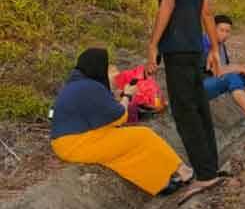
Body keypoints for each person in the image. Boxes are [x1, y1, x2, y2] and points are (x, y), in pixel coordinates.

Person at [142, 0, 223, 203]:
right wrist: (214, 48)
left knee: (185, 112)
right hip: (194, 46)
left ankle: (205, 175)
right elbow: (206, 9)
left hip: (176, 46)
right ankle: (210, 166)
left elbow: (168, 1)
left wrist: (153, 44)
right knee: (200, 107)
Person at [50, 49, 193, 196]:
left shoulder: (75, 84)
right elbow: (119, 116)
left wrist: (116, 97)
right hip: (77, 143)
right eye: (106, 66)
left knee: (121, 155)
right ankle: (183, 170)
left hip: (70, 141)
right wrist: (127, 95)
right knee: (143, 135)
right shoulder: (90, 87)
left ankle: (160, 184)